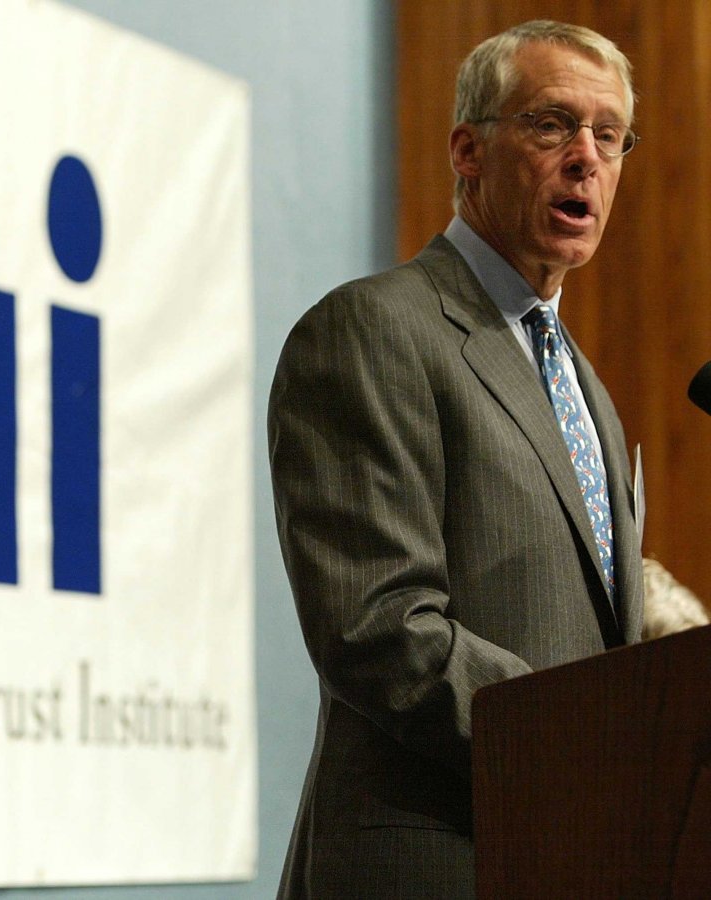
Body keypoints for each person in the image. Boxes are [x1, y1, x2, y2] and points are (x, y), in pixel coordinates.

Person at [268, 20, 645, 898]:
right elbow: (377, 625)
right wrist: (591, 741)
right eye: (552, 124)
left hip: (568, 858)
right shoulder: (372, 330)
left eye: (610, 135)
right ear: (468, 151)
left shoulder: (583, 382)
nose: (587, 158)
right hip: (433, 863)